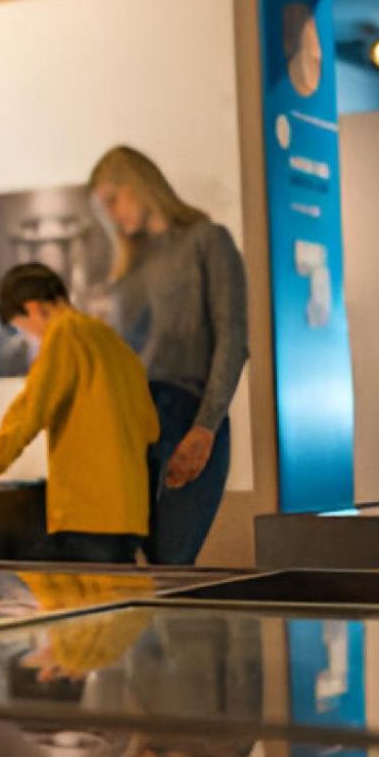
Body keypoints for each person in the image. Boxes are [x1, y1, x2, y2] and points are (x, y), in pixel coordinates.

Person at [89, 147, 248, 565]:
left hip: (187, 414)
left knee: (172, 561)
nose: (112, 216)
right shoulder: (129, 269)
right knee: (125, 563)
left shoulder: (207, 241)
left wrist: (205, 426)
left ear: (138, 184)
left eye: (113, 200)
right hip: (133, 422)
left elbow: (232, 339)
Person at [0, 263, 157, 565]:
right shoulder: (111, 341)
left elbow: (28, 413)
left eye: (22, 329)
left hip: (86, 514)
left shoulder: (63, 333)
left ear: (33, 308)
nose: (31, 339)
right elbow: (150, 426)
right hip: (130, 513)